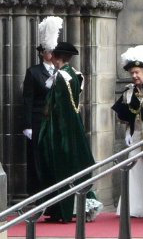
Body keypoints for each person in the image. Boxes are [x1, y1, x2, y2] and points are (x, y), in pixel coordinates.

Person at [38, 40, 96, 223]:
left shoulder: (62, 76)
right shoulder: (73, 74)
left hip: (62, 130)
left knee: (63, 166)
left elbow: (59, 109)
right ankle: (60, 209)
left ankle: (65, 210)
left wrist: (53, 135)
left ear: (56, 57)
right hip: (73, 127)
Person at [112, 45, 143, 217]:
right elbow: (126, 115)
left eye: (138, 72)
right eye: (132, 73)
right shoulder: (129, 92)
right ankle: (133, 207)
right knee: (133, 169)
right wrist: (128, 132)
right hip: (136, 137)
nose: (134, 76)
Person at [22, 44, 54, 195]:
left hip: (55, 121)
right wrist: (27, 125)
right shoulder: (33, 72)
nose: (53, 53)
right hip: (38, 119)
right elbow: (28, 99)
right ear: (42, 53)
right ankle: (38, 194)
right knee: (37, 156)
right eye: (49, 50)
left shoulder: (61, 71)